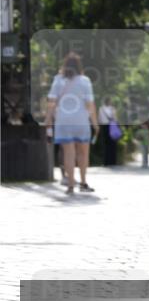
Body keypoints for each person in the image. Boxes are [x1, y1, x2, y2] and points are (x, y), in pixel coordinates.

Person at [44, 52, 98, 194]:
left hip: (63, 121)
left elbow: (51, 103)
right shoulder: (85, 80)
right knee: (83, 153)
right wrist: (95, 124)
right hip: (81, 120)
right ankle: (84, 182)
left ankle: (71, 185)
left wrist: (48, 120)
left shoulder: (58, 80)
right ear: (79, 66)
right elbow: (90, 104)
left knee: (69, 153)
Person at [97, 97, 118, 166]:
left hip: (104, 127)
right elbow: (115, 118)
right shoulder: (112, 109)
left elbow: (99, 119)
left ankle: (106, 161)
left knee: (105, 144)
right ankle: (112, 161)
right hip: (111, 126)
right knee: (112, 144)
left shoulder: (101, 109)